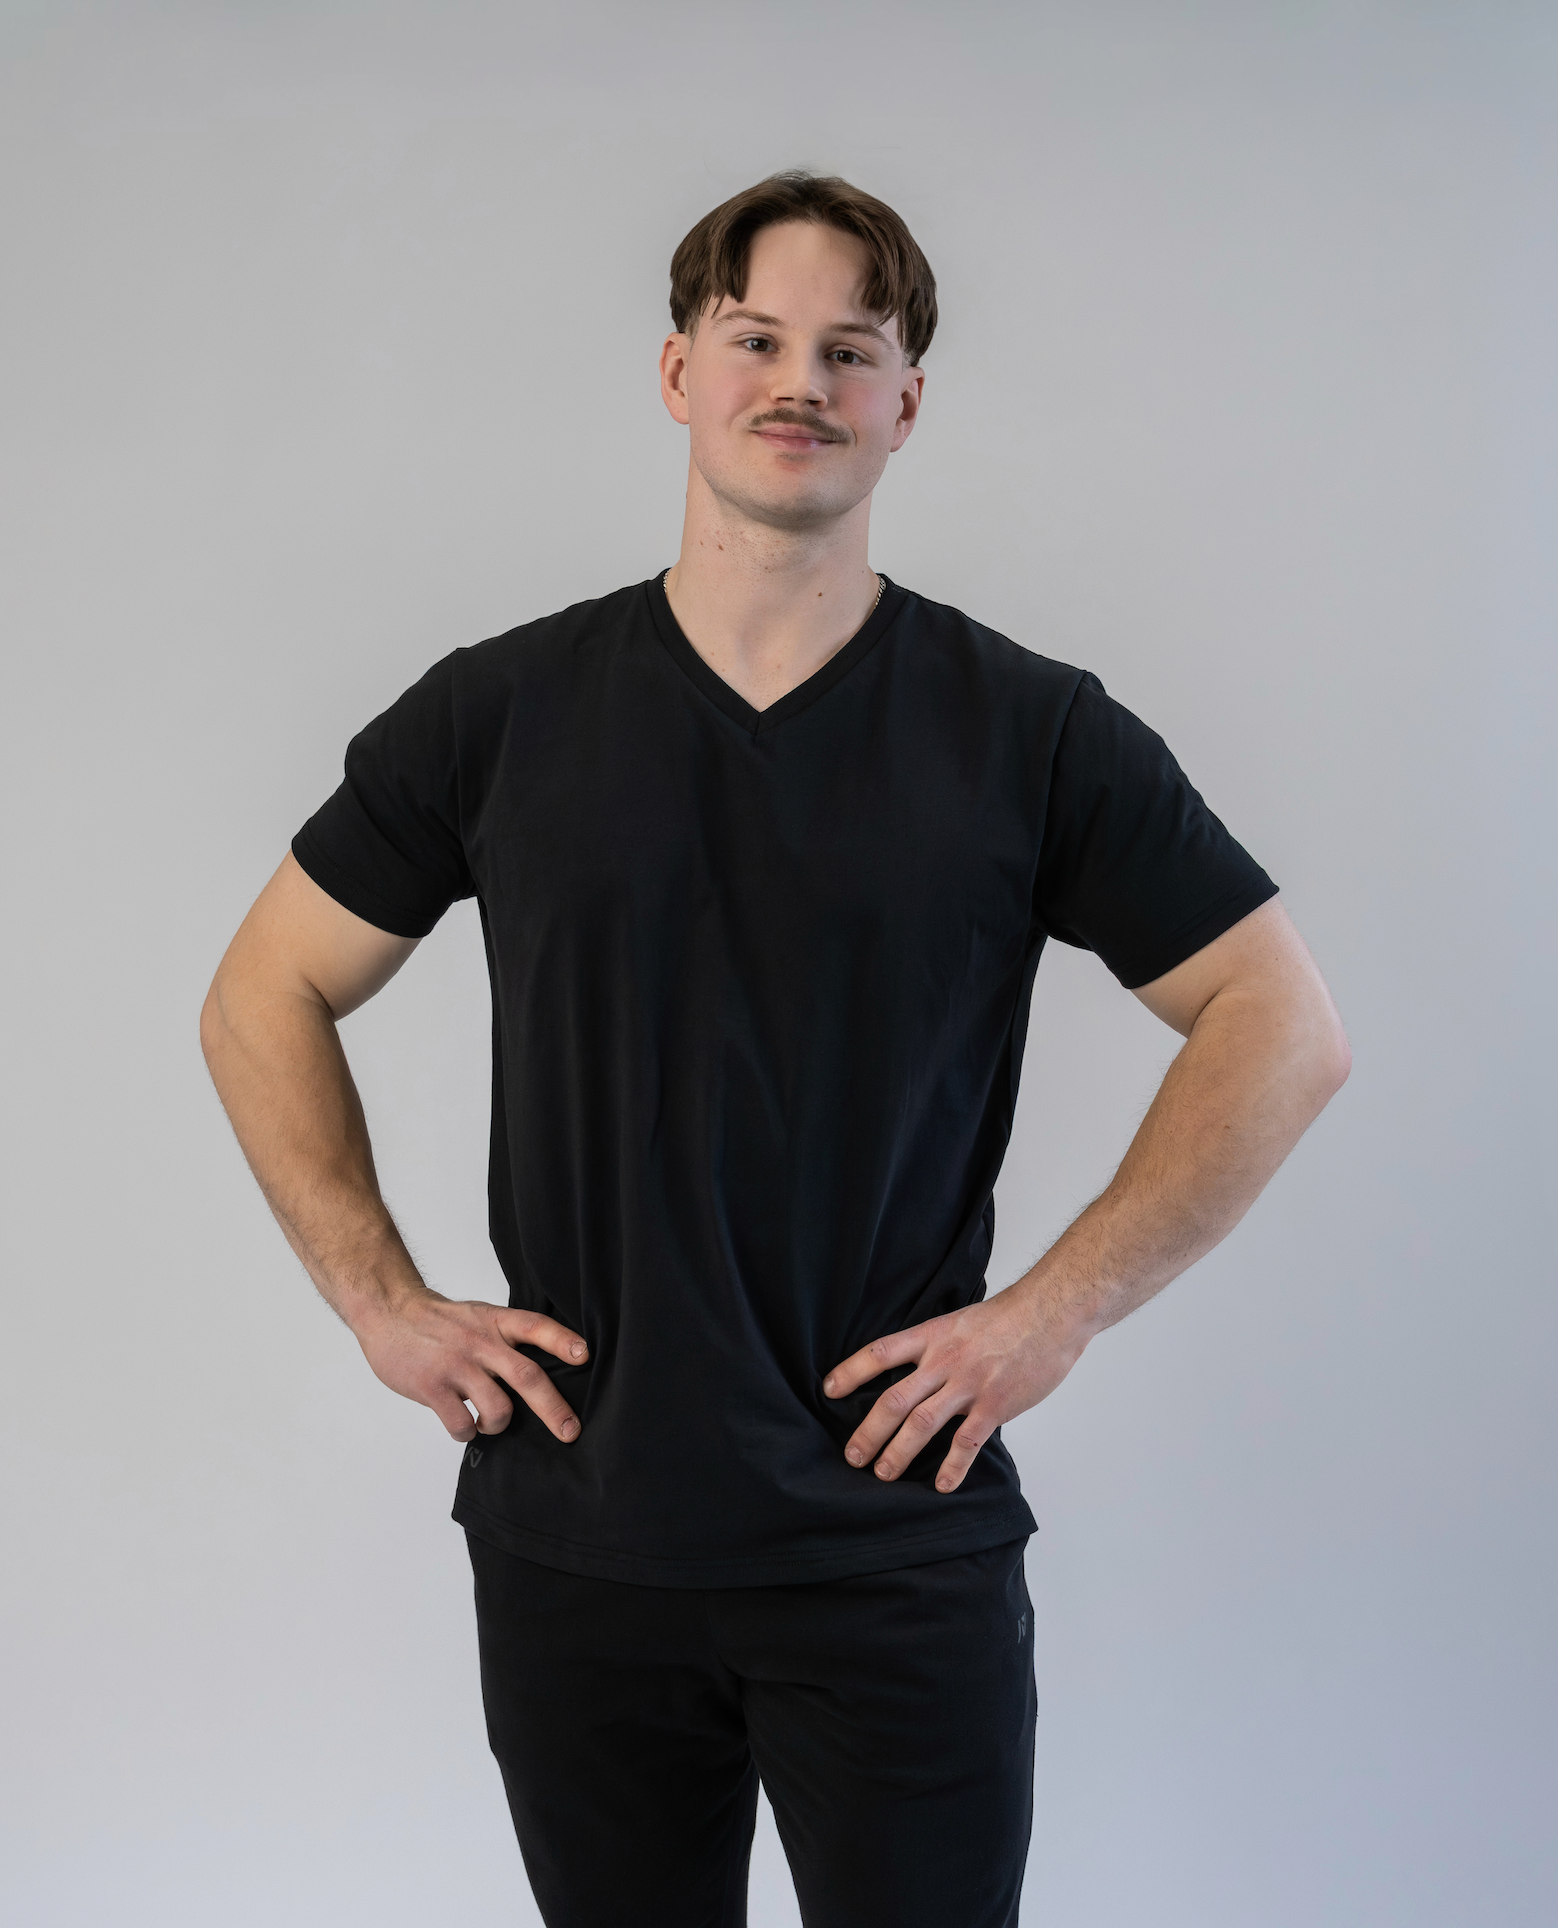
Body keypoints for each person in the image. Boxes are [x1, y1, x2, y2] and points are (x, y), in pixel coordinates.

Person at [200, 171, 1350, 1928]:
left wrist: (1049, 1317)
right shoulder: (501, 712)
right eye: (755, 337)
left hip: (891, 1547)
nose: (795, 380)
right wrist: (380, 1298)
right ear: (679, 372)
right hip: (579, 1538)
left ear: (905, 402)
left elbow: (1279, 1027)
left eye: (849, 348)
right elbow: (262, 989)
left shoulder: (1028, 731)